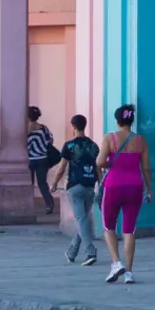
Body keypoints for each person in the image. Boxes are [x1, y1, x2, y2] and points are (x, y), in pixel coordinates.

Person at [98, 104, 152, 285]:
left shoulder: (110, 138)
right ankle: (129, 272)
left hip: (113, 186)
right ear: (131, 120)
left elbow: (99, 161)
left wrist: (111, 164)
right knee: (129, 229)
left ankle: (116, 263)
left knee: (108, 226)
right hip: (135, 187)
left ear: (117, 120)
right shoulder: (140, 140)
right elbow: (145, 167)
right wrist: (149, 189)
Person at [51, 114, 100, 267]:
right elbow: (98, 168)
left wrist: (54, 183)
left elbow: (61, 168)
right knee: (83, 220)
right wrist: (101, 184)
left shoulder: (69, 146)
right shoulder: (94, 146)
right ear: (84, 126)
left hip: (75, 186)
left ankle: (90, 251)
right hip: (90, 186)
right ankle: (72, 251)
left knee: (80, 220)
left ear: (73, 126)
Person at [24, 106, 57, 216]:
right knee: (42, 184)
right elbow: (50, 141)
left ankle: (27, 205)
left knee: (28, 184)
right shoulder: (43, 128)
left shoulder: (24, 130)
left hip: (29, 161)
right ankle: (49, 204)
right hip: (43, 159)